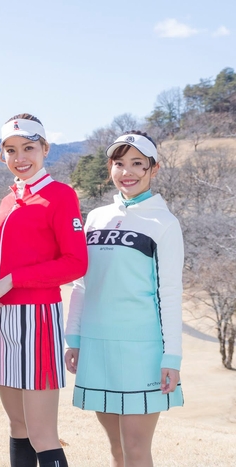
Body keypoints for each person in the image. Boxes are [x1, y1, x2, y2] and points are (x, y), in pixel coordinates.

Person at [65, 131, 184, 467]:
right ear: (110, 167)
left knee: (135, 449)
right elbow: (82, 284)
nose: (127, 172)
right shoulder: (95, 217)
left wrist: (172, 357)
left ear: (154, 168)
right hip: (96, 345)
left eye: (137, 163)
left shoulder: (164, 223)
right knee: (117, 449)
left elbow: (169, 293)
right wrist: (74, 339)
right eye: (119, 163)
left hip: (141, 352)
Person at [0, 114, 88, 467]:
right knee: (19, 426)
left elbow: (75, 263)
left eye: (28, 148)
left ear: (45, 149)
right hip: (1, 319)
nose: (20, 157)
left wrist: (13, 280)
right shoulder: (9, 199)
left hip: (37, 318)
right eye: (11, 150)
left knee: (42, 435)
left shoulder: (60, 195)